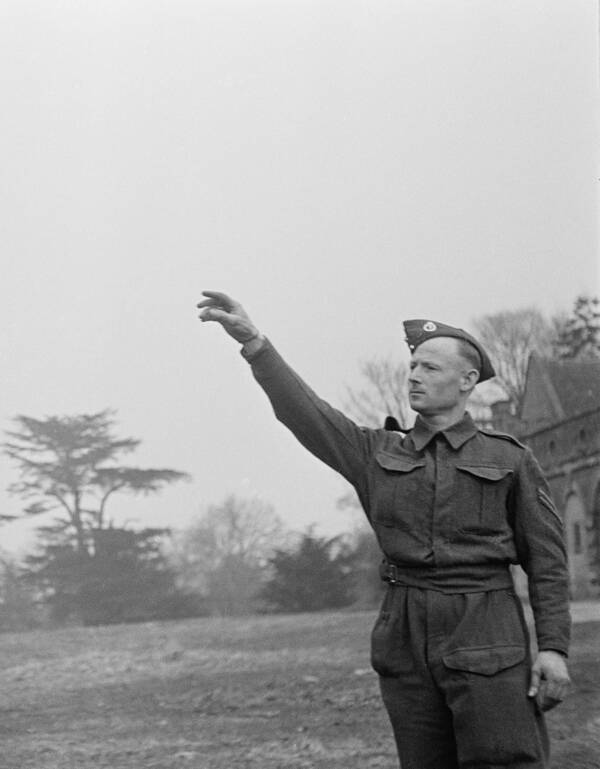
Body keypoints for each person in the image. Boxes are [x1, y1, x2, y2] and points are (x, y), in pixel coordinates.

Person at [196, 291, 571, 769]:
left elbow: (548, 563)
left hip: (486, 627)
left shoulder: (509, 458)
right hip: (404, 632)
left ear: (467, 380)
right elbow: (306, 414)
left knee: (504, 760)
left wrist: (555, 649)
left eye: (431, 367)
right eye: (413, 365)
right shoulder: (377, 453)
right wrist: (256, 345)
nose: (414, 374)